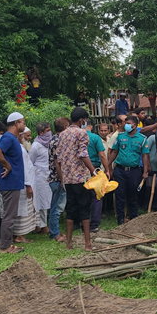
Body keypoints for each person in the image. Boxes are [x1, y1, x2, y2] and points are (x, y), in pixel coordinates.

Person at [57, 107, 96, 251]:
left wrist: (63, 178)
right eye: (85, 120)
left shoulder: (62, 134)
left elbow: (59, 159)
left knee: (71, 210)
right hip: (80, 178)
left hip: (68, 178)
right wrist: (94, 171)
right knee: (84, 210)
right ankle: (87, 244)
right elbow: (83, 154)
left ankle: (69, 243)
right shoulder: (82, 133)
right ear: (81, 120)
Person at [0, 112, 26, 254]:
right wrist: (8, 166)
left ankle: (7, 243)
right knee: (9, 215)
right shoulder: (8, 138)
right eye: (23, 122)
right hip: (10, 182)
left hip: (14, 182)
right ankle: (5, 246)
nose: (24, 124)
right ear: (16, 123)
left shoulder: (13, 138)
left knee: (10, 214)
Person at [108, 116, 150, 225]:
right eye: (125, 123)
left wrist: (145, 172)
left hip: (134, 171)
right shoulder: (120, 137)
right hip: (120, 170)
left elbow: (145, 156)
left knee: (133, 195)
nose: (126, 125)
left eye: (129, 123)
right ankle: (120, 219)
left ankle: (133, 219)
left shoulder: (142, 138)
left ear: (135, 125)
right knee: (120, 195)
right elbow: (114, 152)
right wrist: (108, 165)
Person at [12, 127, 37, 242]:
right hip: (24, 184)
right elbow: (24, 168)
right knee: (22, 209)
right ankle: (19, 235)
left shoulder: (20, 148)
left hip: (23, 182)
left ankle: (18, 234)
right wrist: (28, 185)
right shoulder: (20, 149)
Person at [47, 117, 69, 242]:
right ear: (65, 127)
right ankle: (55, 233)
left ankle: (56, 231)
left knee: (56, 206)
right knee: (57, 207)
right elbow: (57, 162)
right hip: (57, 178)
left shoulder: (54, 139)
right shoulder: (58, 141)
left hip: (55, 178)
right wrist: (62, 179)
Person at [87, 122, 110, 233]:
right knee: (97, 196)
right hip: (94, 169)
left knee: (83, 196)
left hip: (79, 170)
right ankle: (94, 224)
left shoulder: (73, 136)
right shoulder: (95, 138)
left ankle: (82, 222)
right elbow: (102, 155)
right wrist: (107, 169)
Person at [30, 122, 52, 234]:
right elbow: (31, 162)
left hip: (48, 175)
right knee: (41, 202)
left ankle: (42, 224)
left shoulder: (48, 144)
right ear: (41, 132)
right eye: (47, 131)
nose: (50, 133)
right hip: (39, 177)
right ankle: (42, 226)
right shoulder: (35, 146)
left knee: (47, 200)